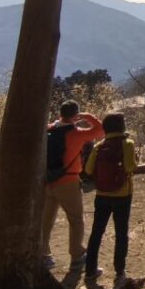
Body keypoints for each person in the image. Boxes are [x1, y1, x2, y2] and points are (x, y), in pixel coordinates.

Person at [83, 113, 145, 289]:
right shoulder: (128, 144)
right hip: (122, 195)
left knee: (96, 232)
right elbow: (130, 167)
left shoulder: (99, 146)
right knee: (121, 233)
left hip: (101, 195)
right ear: (122, 127)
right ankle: (119, 272)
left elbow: (88, 169)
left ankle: (90, 270)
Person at [42, 100, 104, 272]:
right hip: (68, 181)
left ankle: (44, 255)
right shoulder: (76, 133)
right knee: (76, 219)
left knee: (46, 220)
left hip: (47, 181)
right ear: (75, 115)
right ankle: (77, 256)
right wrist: (86, 116)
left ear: (60, 113)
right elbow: (100, 131)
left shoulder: (48, 129)